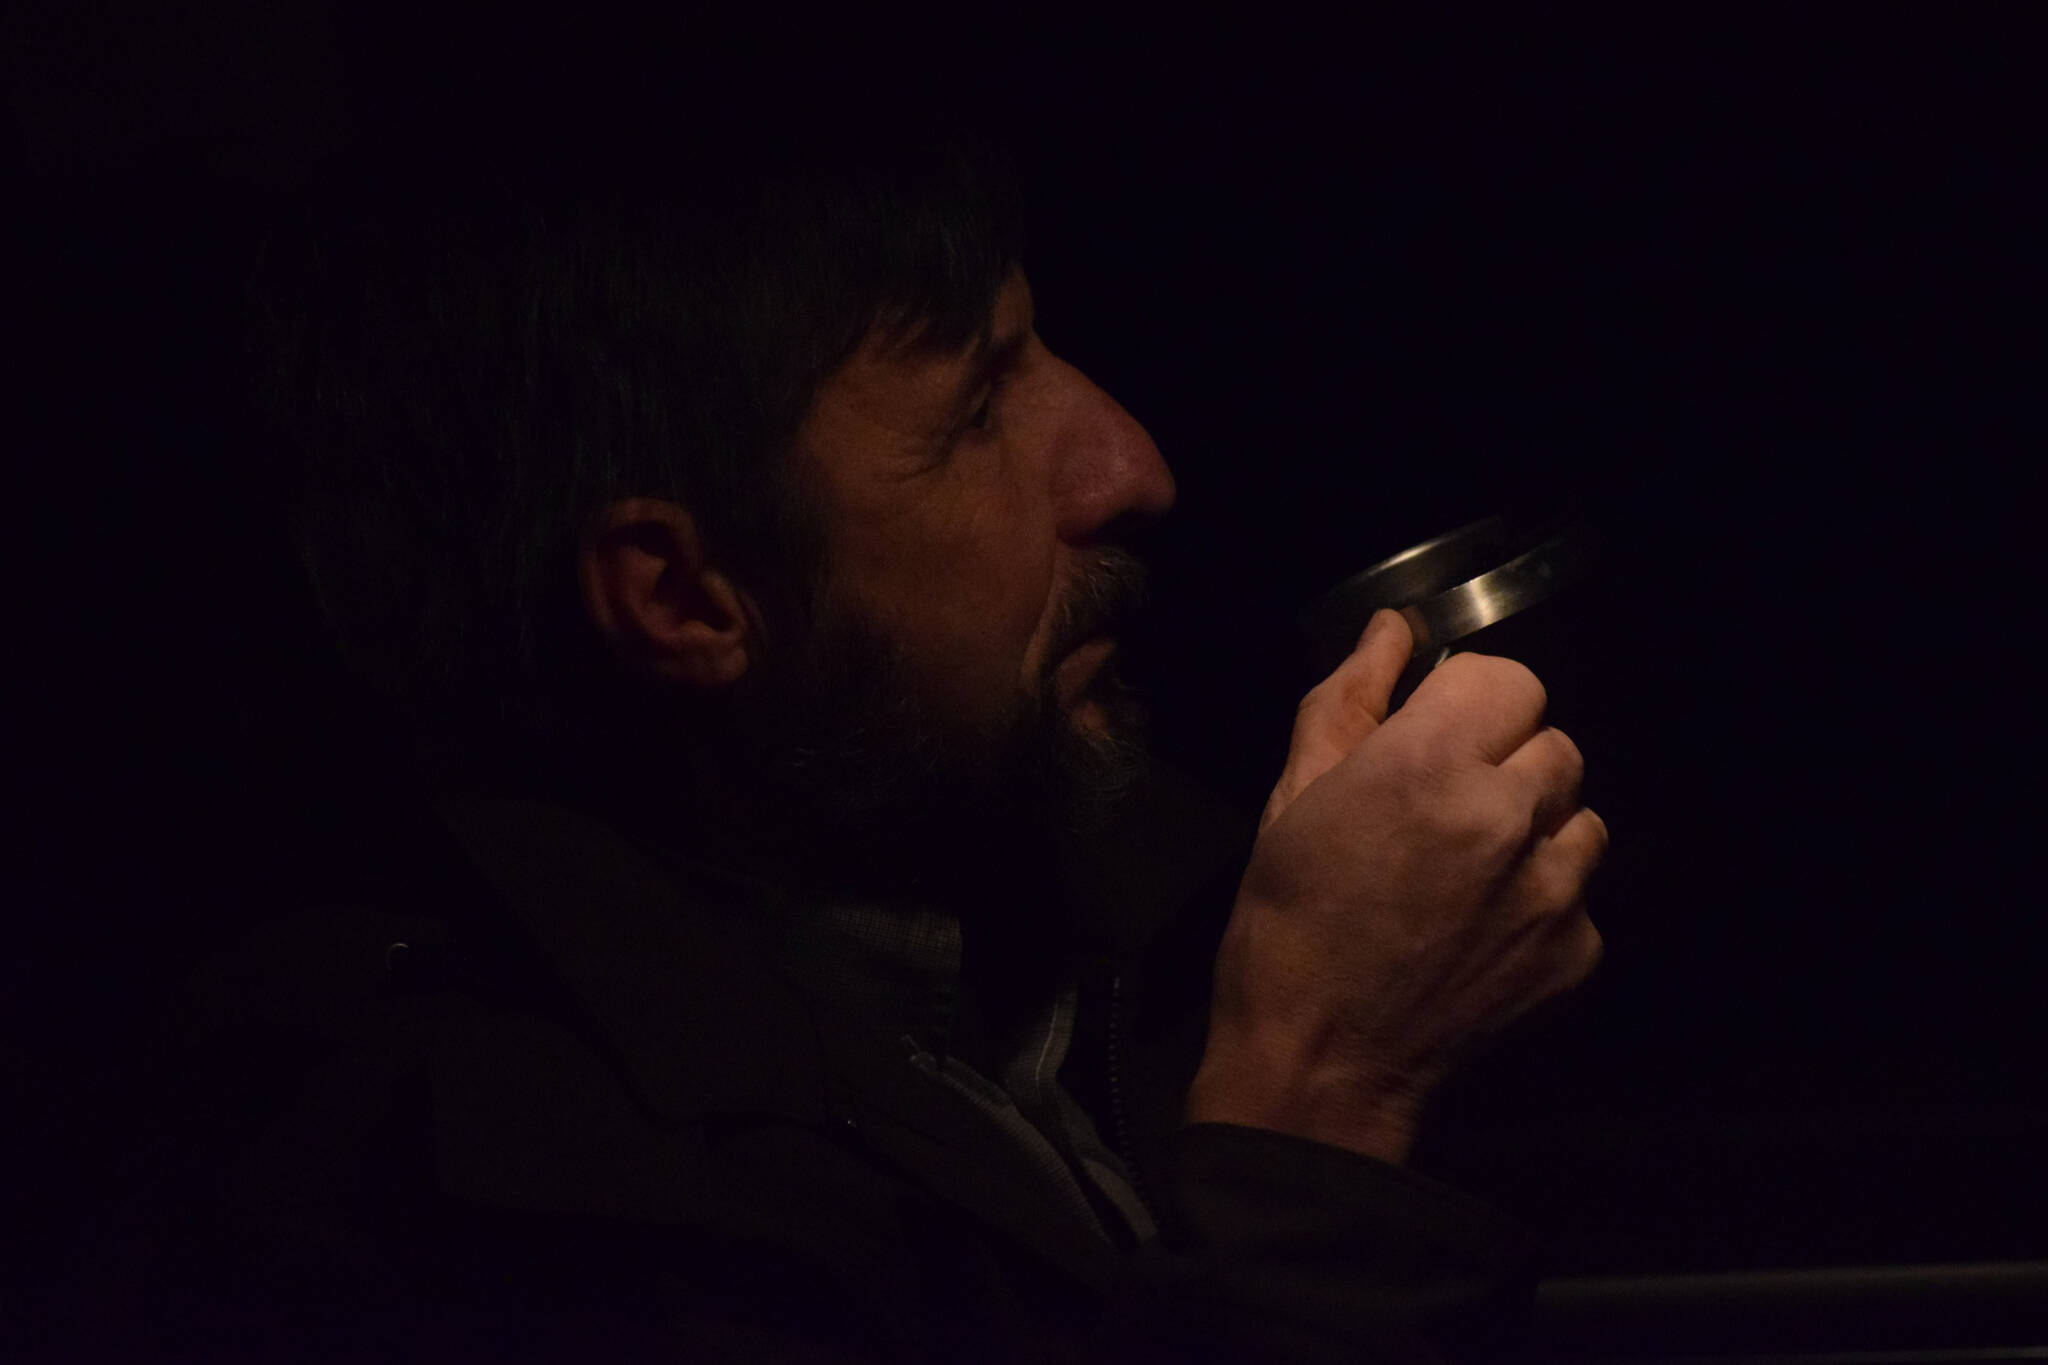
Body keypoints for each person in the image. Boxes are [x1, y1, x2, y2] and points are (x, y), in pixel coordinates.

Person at [62, 111, 1607, 1363]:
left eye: (1040, 343)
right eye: (981, 412)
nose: (1130, 464)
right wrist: (1315, 1105)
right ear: (687, 595)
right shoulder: (465, 1206)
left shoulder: (1044, 884)